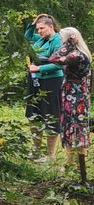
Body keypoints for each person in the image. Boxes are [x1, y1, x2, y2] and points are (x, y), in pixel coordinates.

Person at [44, 27, 91, 181]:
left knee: (76, 129)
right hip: (73, 95)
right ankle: (71, 163)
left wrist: (70, 44)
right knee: (70, 129)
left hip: (75, 98)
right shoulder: (80, 54)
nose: (62, 43)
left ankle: (77, 167)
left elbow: (54, 58)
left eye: (64, 39)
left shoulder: (76, 55)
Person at [25, 13, 64, 162]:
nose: (39, 31)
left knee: (51, 114)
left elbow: (59, 64)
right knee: (33, 113)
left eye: (42, 28)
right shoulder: (40, 39)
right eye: (38, 28)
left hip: (51, 81)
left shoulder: (57, 41)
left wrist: (39, 69)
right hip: (35, 81)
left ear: (51, 26)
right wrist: (33, 22)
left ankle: (50, 155)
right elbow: (26, 37)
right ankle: (36, 150)